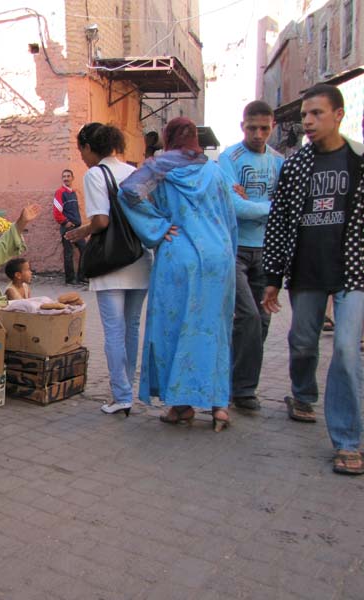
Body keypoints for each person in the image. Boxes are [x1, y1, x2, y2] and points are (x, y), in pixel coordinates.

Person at [262, 85, 364, 475]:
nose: (307, 121)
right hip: (306, 272)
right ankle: (303, 394)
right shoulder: (297, 165)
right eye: (305, 114)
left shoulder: (358, 161)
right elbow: (279, 222)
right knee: (302, 342)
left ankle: (347, 440)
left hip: (352, 271)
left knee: (345, 350)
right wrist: (273, 277)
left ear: (338, 114)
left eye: (316, 113)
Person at [118, 117, 238, 431]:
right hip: (217, 258)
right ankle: (219, 407)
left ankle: (181, 407)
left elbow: (128, 192)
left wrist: (156, 227)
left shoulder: (159, 169)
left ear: (169, 138)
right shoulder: (214, 171)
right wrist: (230, 256)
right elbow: (230, 218)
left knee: (175, 328)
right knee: (215, 329)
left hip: (179, 254)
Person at [65, 123, 152, 416]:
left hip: (111, 263)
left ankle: (121, 396)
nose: (82, 158)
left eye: (82, 151)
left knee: (114, 332)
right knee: (132, 329)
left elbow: (101, 221)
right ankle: (128, 389)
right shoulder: (133, 171)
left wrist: (81, 232)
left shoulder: (95, 174)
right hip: (139, 260)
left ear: (90, 148)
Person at [218, 100, 284, 410]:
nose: (258, 134)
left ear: (272, 127)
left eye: (264, 128)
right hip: (237, 249)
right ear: (242, 126)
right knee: (247, 316)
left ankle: (243, 388)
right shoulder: (228, 158)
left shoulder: (279, 162)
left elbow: (289, 209)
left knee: (263, 322)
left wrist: (257, 208)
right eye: (251, 128)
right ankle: (235, 386)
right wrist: (272, 207)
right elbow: (234, 207)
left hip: (268, 250)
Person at [52, 169, 87, 284]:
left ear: (72, 178)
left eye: (68, 176)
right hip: (68, 228)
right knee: (68, 253)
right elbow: (57, 212)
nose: (66, 178)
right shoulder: (60, 192)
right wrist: (65, 222)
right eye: (64, 176)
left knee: (84, 249)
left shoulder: (73, 193)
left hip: (77, 228)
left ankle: (81, 277)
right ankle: (70, 279)